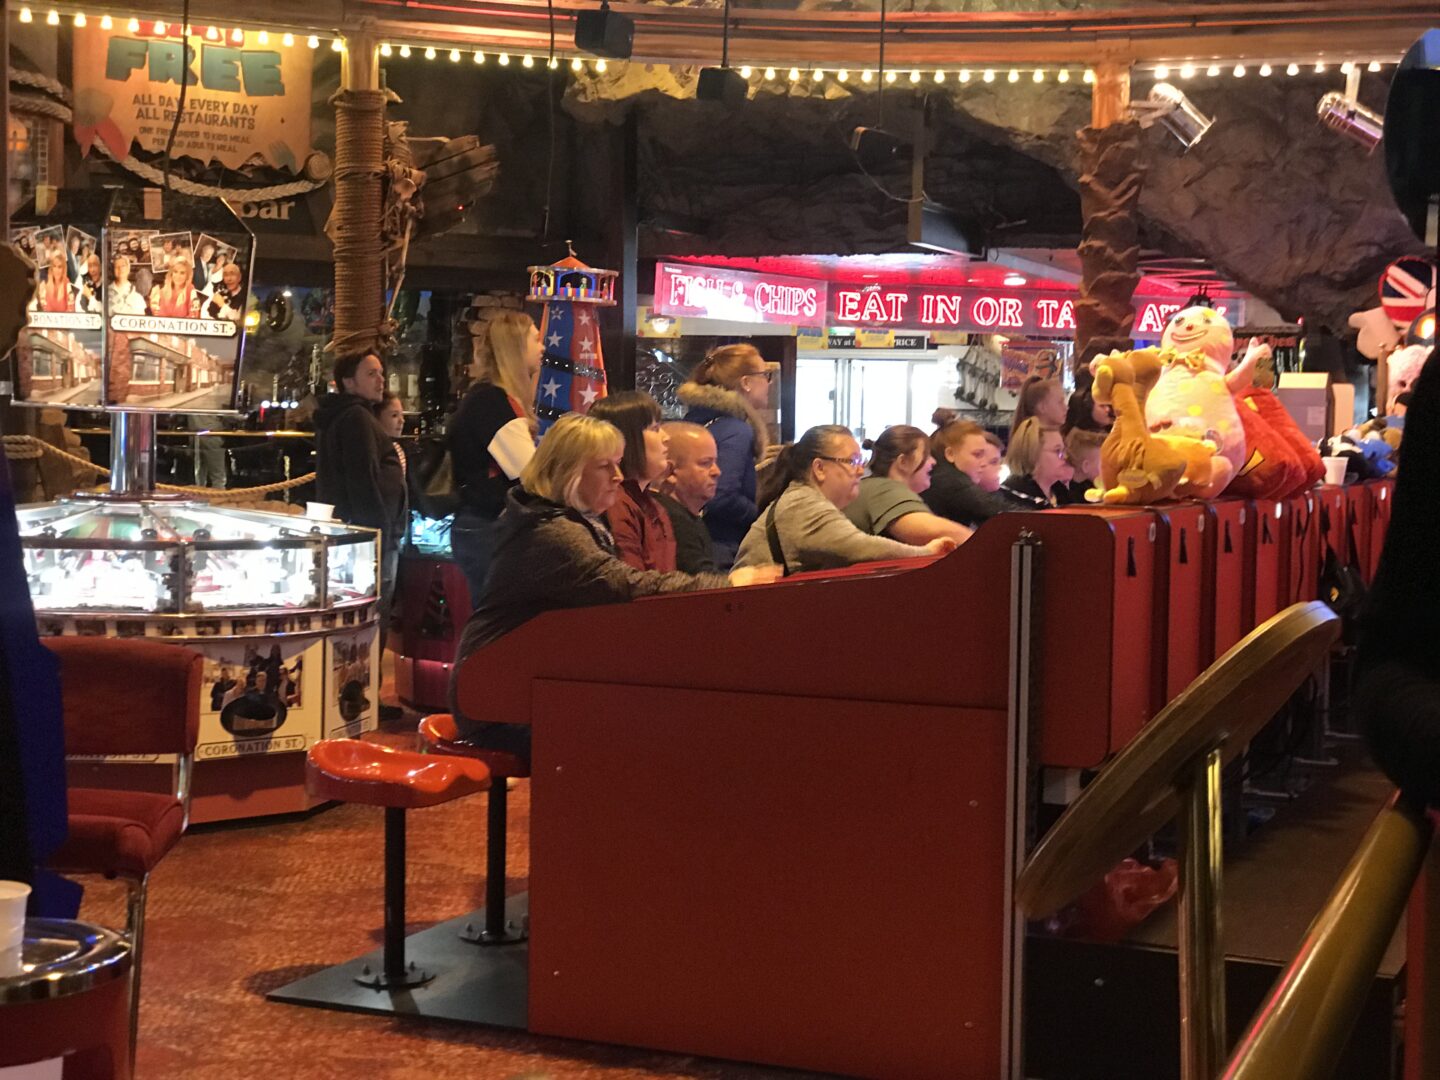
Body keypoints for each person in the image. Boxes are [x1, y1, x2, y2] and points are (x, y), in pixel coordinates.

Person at [449, 413, 779, 758]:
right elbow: (627, 584)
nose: (618, 477)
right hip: (495, 698)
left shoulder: (562, 519)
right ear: (570, 471)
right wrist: (726, 585)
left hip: (518, 682)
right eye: (606, 466)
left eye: (618, 464)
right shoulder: (551, 532)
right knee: (653, 732)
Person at [736, 424, 955, 574]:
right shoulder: (802, 504)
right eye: (853, 461)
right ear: (819, 468)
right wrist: (927, 552)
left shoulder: (803, 498)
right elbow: (862, 547)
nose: (860, 471)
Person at [315, 353, 406, 690]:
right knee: (370, 617)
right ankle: (365, 695)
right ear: (349, 382)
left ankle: (357, 691)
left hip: (352, 535)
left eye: (381, 372)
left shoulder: (341, 416)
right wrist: (379, 539)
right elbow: (363, 481)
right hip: (368, 540)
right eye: (371, 373)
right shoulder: (356, 418)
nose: (380, 380)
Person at [449, 311, 542, 607]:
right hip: (489, 529)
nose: (542, 348)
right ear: (515, 348)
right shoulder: (494, 403)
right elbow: (531, 475)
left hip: (480, 527)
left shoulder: (485, 398)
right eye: (535, 339)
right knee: (498, 623)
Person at [679, 344, 775, 568]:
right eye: (765, 375)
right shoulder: (736, 430)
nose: (769, 383)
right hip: (723, 546)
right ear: (746, 383)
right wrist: (762, 516)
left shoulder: (694, 420)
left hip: (694, 538)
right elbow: (721, 495)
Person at [587, 391, 676, 571]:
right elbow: (633, 585)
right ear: (627, 438)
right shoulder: (614, 503)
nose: (666, 437)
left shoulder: (650, 504)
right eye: (655, 428)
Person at [845, 425, 973, 546]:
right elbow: (933, 532)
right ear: (903, 462)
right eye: (926, 455)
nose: (933, 462)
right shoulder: (885, 489)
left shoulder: (872, 486)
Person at [923, 420, 1027, 528]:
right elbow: (998, 509)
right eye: (977, 455)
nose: (983, 463)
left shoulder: (943, 476)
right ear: (950, 454)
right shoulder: (952, 482)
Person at [654, 421, 721, 574]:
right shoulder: (672, 520)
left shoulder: (688, 515)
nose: (717, 472)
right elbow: (703, 584)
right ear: (670, 471)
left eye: (715, 462)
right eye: (705, 463)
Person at [1003, 417, 1074, 507]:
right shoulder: (1013, 496)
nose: (1064, 457)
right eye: (1057, 451)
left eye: (1063, 451)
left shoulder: (1061, 492)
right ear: (1033, 453)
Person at [1063, 427, 1106, 503]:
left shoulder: (1089, 485)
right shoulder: (1071, 495)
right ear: (1086, 466)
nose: (1108, 468)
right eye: (1103, 462)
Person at [149, 253, 199, 318]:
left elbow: (194, 315)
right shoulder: (159, 289)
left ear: (187, 276)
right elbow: (154, 313)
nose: (178, 276)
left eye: (182, 273)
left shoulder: (191, 290)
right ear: (171, 273)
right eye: (175, 272)